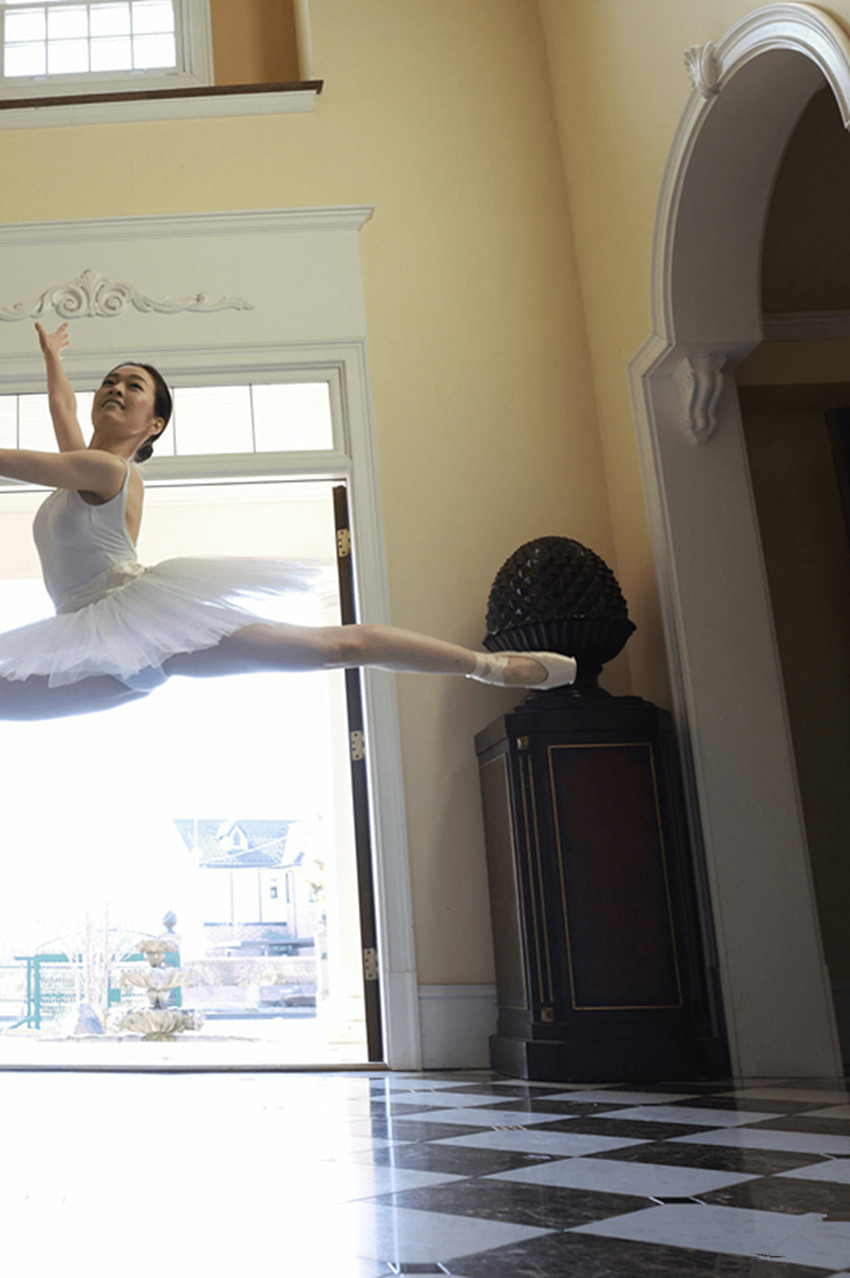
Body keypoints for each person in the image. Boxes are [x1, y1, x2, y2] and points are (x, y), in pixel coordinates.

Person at [0, 322, 577, 720]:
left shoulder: (104, 470)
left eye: (134, 386)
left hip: (138, 620)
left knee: (335, 646)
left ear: (154, 424)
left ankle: (493, 667)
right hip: (87, 636)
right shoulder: (78, 470)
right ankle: (490, 667)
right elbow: (62, 409)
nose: (116, 388)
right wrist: (54, 358)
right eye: (110, 381)